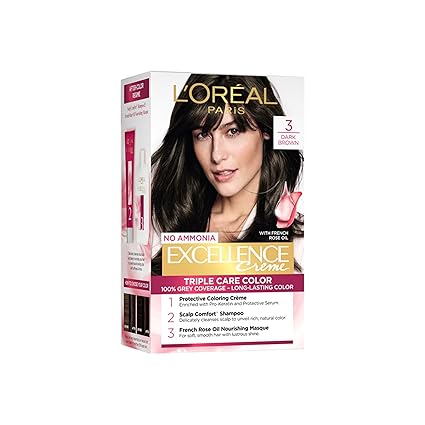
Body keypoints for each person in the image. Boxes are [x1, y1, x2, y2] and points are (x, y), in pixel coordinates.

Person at [151, 74, 303, 274]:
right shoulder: (161, 223)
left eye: (233, 131)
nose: (216, 155)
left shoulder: (299, 244)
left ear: (265, 130)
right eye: (203, 135)